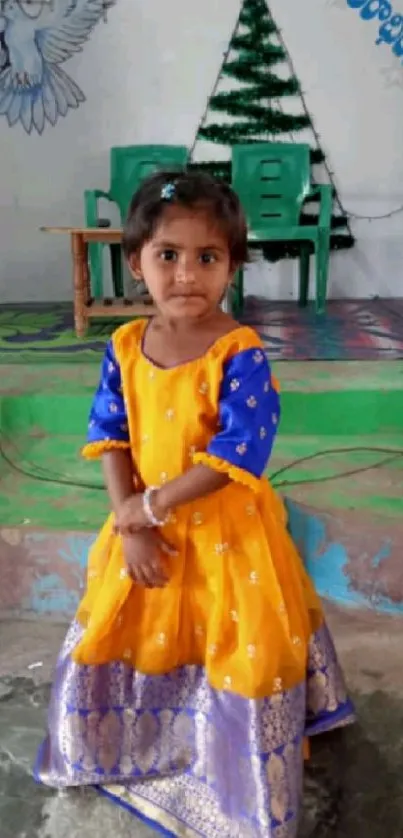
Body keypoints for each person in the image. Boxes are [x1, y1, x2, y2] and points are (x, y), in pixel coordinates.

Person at [35, 169, 355, 837]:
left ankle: (230, 772)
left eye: (207, 257)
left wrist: (147, 509)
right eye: (167, 256)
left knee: (240, 645)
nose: (186, 275)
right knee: (126, 630)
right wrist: (129, 525)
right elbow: (110, 435)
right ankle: (142, 748)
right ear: (135, 262)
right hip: (143, 530)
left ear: (232, 264)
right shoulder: (123, 346)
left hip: (229, 535)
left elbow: (240, 453)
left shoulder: (239, 352)